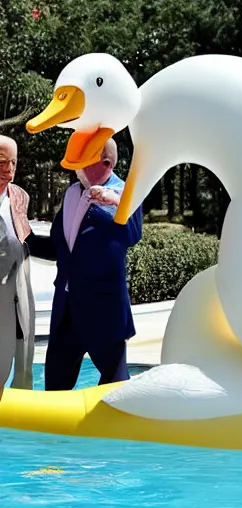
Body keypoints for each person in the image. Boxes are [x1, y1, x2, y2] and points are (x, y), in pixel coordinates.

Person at [25, 138, 143, 390]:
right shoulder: (72, 194)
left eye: (84, 160)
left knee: (116, 388)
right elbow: (59, 248)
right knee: (55, 390)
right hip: (66, 311)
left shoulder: (126, 194)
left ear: (106, 163)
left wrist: (114, 202)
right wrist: (21, 231)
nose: (77, 167)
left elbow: (132, 236)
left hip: (104, 311)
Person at [0, 135, 35, 399]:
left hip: (19, 279)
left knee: (24, 346)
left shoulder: (20, 195)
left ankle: (21, 407)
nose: (9, 169)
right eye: (2, 162)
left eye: (13, 162)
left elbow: (24, 236)